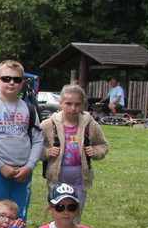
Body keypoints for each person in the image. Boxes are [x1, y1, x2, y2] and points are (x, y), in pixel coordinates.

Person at [0, 60, 43, 220]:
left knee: (19, 214)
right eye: (6, 78)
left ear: (22, 84)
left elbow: (38, 141)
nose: (11, 83)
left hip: (23, 172)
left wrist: (29, 167)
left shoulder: (29, 110)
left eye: (16, 79)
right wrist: (1, 166)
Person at [40, 84, 110, 213]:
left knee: (75, 211)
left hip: (80, 177)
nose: (73, 108)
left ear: (83, 104)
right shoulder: (49, 124)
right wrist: (47, 152)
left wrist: (95, 152)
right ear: (60, 103)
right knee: (59, 211)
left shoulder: (90, 125)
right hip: (57, 177)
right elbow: (35, 146)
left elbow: (103, 145)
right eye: (68, 104)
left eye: (77, 104)